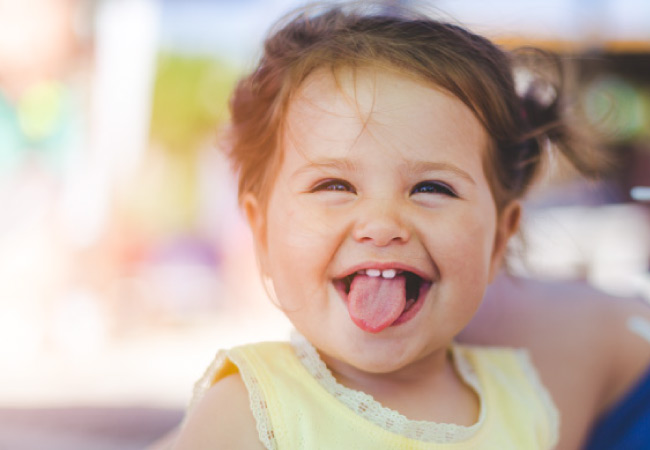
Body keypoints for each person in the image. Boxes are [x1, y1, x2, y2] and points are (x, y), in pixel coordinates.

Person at [168, 2, 650, 449]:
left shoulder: (526, 401)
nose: (382, 224)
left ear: (500, 237)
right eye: (334, 184)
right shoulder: (250, 412)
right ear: (263, 232)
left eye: (431, 188)